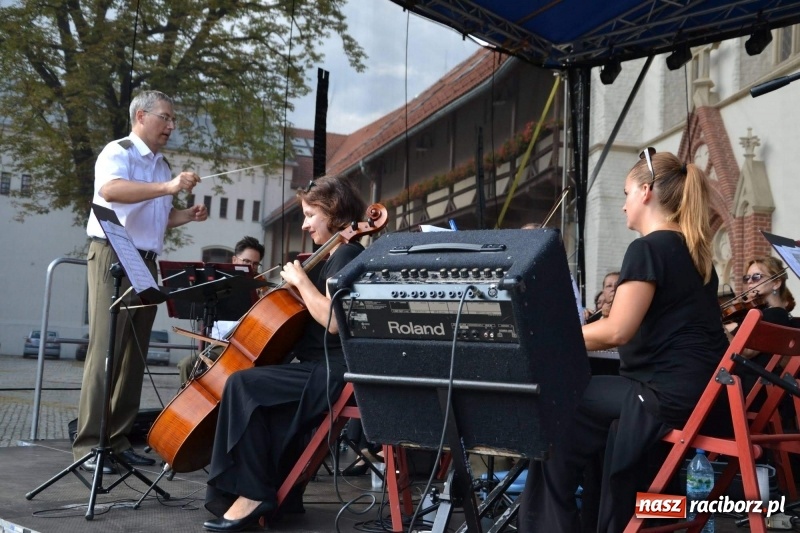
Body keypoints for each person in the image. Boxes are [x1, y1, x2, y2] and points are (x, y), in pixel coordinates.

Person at [517, 148, 728, 532]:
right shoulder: (696, 254)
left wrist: (545, 338)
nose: (622, 205)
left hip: (664, 396)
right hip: (700, 396)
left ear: (646, 191)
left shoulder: (648, 248)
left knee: (558, 406)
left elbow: (616, 330)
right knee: (589, 413)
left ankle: (552, 524)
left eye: (626, 193)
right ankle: (598, 515)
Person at [202, 176, 368, 532]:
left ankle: (252, 494)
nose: (305, 223)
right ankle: (280, 495)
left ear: (333, 211)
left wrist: (301, 282)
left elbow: (334, 322)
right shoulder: (333, 254)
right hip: (316, 366)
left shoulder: (349, 254)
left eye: (311, 214)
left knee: (242, 386)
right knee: (252, 392)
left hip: (332, 370)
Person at [75, 90, 208, 473]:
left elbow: (156, 217)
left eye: (173, 119)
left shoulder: (161, 165)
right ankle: (88, 446)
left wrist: (186, 215)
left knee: (134, 355)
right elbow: (111, 191)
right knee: (106, 350)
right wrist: (168, 188)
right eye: (165, 117)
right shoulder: (119, 152)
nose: (172, 125)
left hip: (146, 261)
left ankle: (116, 441)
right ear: (140, 117)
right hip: (114, 253)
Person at [177, 236, 266, 384]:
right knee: (188, 364)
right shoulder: (220, 282)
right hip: (218, 343)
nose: (251, 267)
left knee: (194, 365)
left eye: (256, 264)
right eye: (246, 262)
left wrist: (262, 297)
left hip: (242, 345)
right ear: (234, 260)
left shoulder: (259, 286)